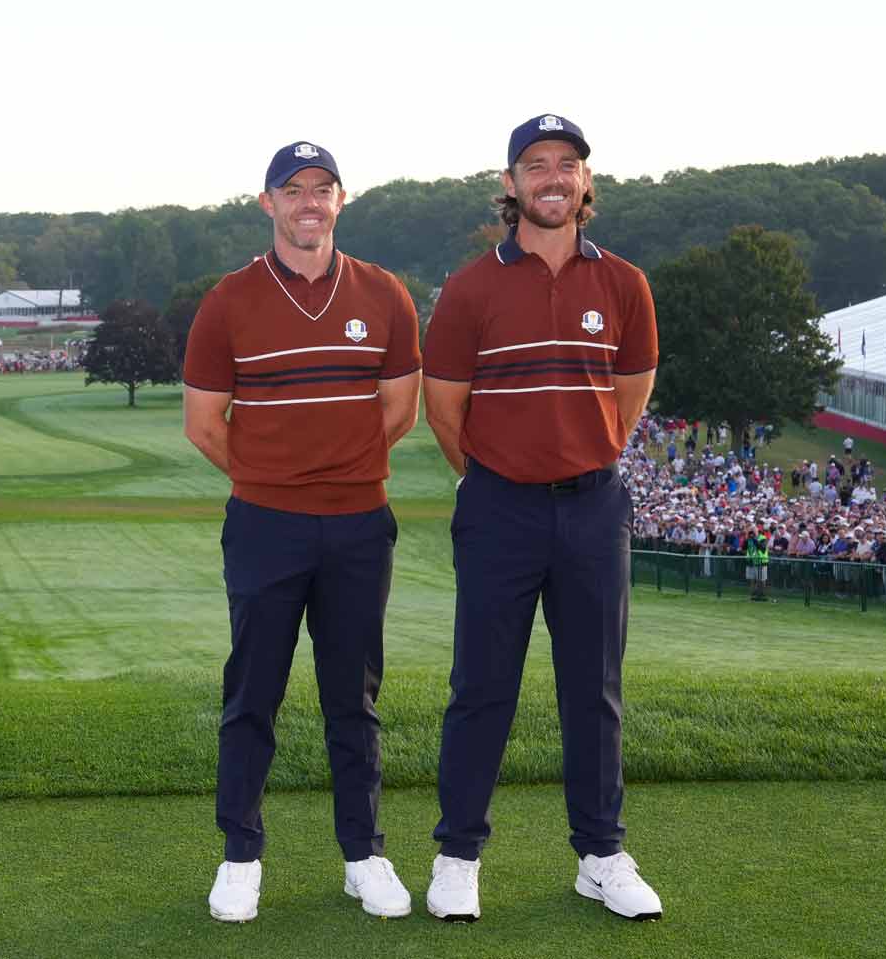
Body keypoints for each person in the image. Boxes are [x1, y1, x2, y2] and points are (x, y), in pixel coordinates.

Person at [420, 115, 663, 922]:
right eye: (536, 165)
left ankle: (600, 853)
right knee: (481, 687)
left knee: (593, 689)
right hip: (499, 510)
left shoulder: (624, 282)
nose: (552, 178)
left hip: (595, 508)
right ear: (512, 183)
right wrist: (499, 479)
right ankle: (458, 855)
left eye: (567, 165)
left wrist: (579, 459)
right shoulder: (471, 285)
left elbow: (629, 396)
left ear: (585, 183)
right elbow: (445, 409)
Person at [181, 142, 421, 923]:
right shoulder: (229, 299)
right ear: (268, 203)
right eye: (294, 189)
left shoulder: (384, 294)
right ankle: (240, 856)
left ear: (341, 201)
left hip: (358, 524)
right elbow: (203, 423)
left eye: (323, 188)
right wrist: (273, 479)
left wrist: (339, 472)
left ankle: (364, 854)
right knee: (252, 694)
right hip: (265, 524)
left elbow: (400, 410)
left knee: (353, 699)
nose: (308, 202)